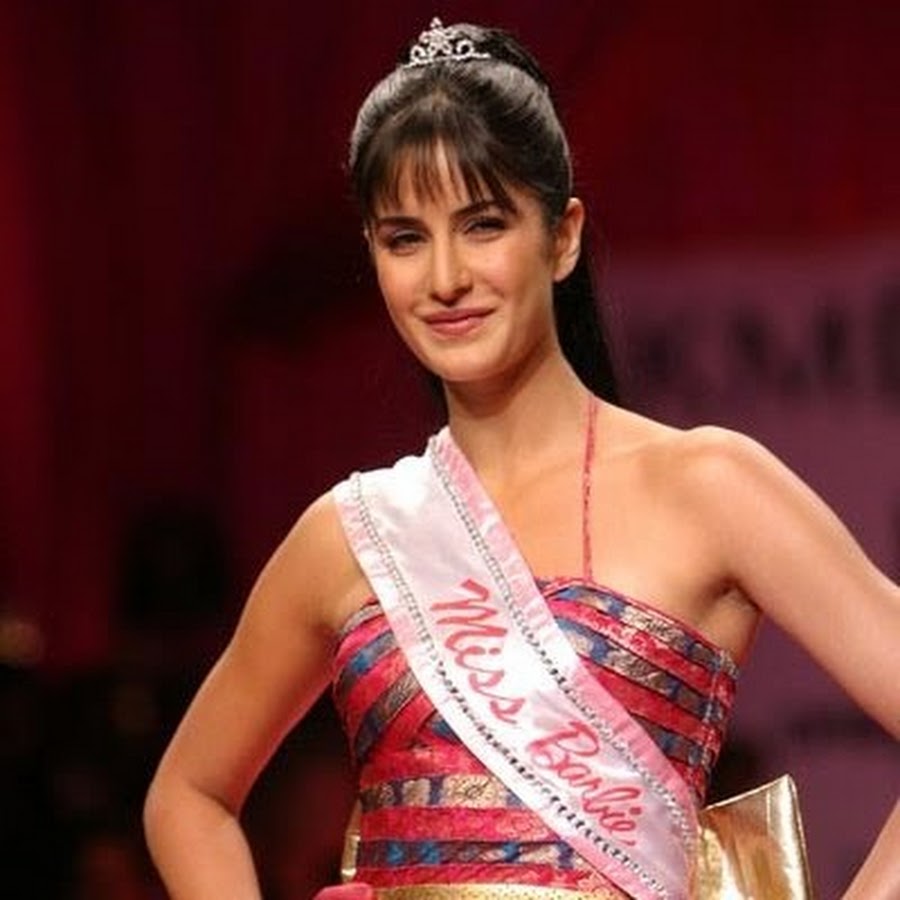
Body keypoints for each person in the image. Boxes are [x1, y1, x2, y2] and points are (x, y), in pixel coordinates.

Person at [143, 18, 900, 900]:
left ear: (563, 235)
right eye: (405, 238)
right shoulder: (352, 535)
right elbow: (186, 796)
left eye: (483, 224)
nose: (446, 277)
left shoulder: (710, 488)